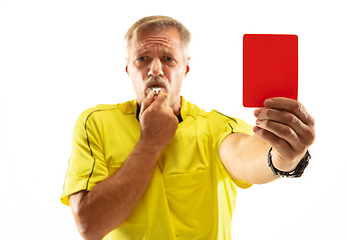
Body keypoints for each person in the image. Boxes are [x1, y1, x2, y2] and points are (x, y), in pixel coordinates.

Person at [60, 15, 315, 240]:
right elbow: (89, 225)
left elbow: (245, 155)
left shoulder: (215, 127)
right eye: (143, 58)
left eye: (169, 58)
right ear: (128, 68)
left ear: (185, 69)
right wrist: (150, 142)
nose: (156, 69)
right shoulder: (95, 123)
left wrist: (285, 157)